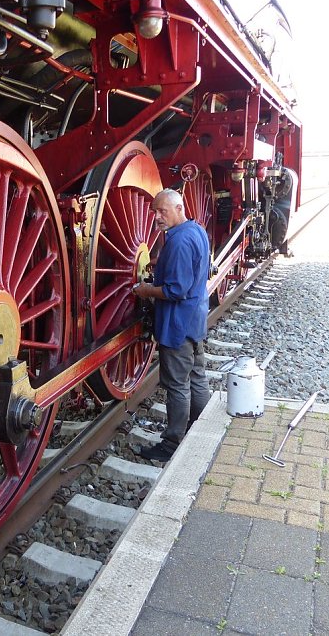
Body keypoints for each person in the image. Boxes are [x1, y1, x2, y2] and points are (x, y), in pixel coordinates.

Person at [132, 188, 210, 462]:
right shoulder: (196, 231)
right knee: (197, 376)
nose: (156, 217)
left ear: (179, 208)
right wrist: (160, 262)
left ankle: (172, 443)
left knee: (177, 384)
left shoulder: (177, 242)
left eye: (162, 211)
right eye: (154, 211)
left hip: (177, 324)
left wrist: (146, 290)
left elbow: (175, 290)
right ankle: (203, 428)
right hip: (196, 320)